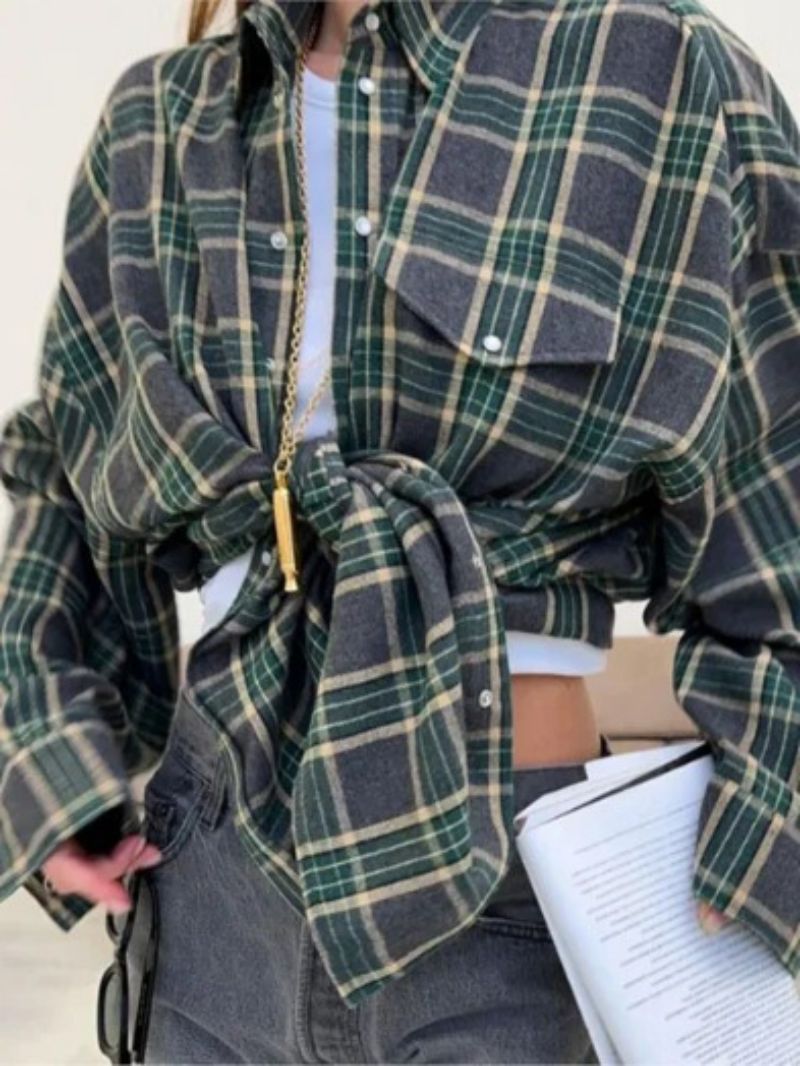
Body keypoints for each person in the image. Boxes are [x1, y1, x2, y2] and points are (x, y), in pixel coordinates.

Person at [0, 0, 797, 1061]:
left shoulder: (653, 72)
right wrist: (55, 763)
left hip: (506, 888)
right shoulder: (162, 120)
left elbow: (777, 479)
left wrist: (769, 814)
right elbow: (65, 471)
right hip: (212, 884)